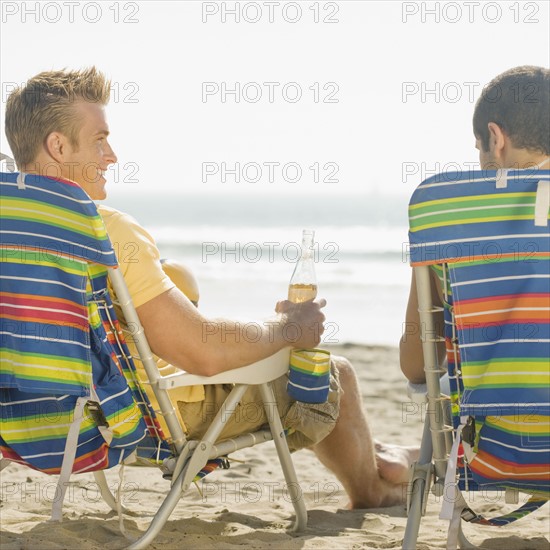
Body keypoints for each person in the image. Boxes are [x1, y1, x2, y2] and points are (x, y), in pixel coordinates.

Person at [5, 67, 417, 509]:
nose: (112, 156)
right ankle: (376, 489)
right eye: (100, 139)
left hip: (32, 422)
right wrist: (288, 329)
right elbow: (202, 353)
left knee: (179, 278)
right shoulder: (108, 233)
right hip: (141, 420)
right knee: (336, 373)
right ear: (58, 146)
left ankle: (385, 457)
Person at [399, 65, 550, 383]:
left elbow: (416, 366)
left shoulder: (444, 214)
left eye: (479, 149)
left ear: (496, 139)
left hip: (495, 431)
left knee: (441, 387)